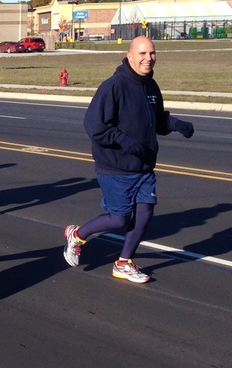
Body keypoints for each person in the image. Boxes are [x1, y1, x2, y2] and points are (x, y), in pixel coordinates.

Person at [63, 36, 195, 283]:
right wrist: (124, 140)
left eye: (153, 53)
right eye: (143, 53)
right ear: (130, 55)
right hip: (116, 166)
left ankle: (124, 262)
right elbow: (94, 125)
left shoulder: (151, 86)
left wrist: (176, 124)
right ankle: (77, 235)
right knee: (119, 219)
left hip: (144, 166)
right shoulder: (114, 86)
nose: (149, 58)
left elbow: (156, 121)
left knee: (145, 213)